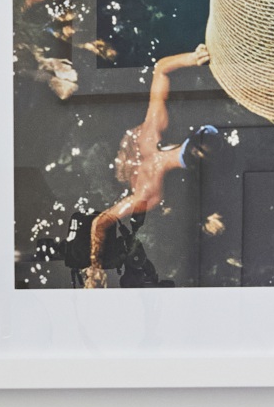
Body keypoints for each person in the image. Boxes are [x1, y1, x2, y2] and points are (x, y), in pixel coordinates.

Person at [85, 45, 218, 286]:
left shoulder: (153, 130)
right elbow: (101, 221)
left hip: (125, 151)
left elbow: (161, 69)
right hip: (127, 173)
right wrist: (94, 267)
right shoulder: (152, 193)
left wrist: (192, 58)